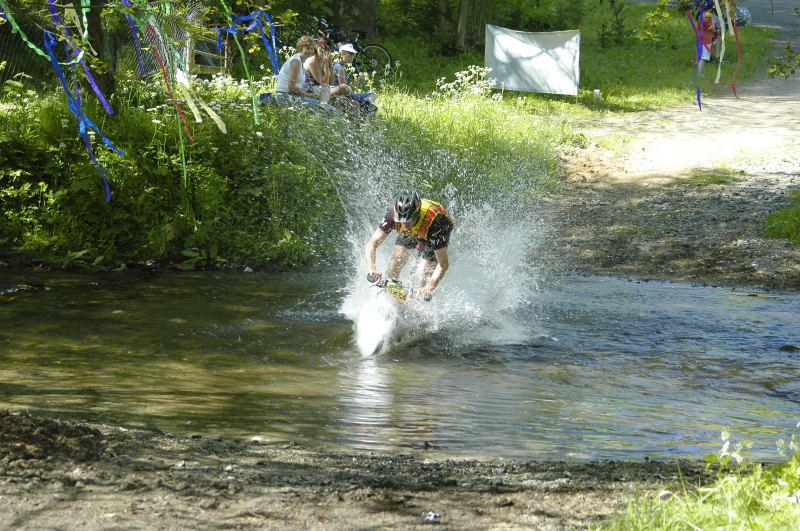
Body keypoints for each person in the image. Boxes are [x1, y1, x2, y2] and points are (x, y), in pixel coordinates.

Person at [365, 189, 454, 300]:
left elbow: (443, 264)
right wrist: (372, 268)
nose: (404, 224)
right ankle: (396, 304)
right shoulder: (393, 215)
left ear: (416, 214)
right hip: (415, 230)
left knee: (421, 276)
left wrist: (429, 288)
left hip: (436, 229)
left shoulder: (435, 222)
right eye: (400, 219)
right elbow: (372, 244)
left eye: (408, 220)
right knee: (394, 266)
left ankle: (415, 309)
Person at [271, 36, 319, 105]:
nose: (310, 51)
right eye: (307, 48)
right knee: (316, 106)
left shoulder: (301, 61)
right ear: (300, 48)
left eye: (312, 49)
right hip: (285, 95)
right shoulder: (296, 62)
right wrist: (309, 95)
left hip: (293, 95)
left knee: (318, 104)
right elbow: (291, 87)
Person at [331, 43, 378, 114]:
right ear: (341, 54)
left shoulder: (339, 66)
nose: (352, 57)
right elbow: (344, 89)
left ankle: (365, 105)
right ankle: (365, 106)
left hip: (341, 93)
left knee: (373, 94)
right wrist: (357, 82)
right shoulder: (340, 68)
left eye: (353, 55)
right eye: (350, 54)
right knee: (372, 94)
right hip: (340, 94)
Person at [303, 36, 334, 104]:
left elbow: (331, 82)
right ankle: (323, 107)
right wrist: (326, 65)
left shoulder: (323, 61)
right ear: (316, 47)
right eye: (322, 49)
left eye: (326, 49)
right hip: (309, 90)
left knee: (340, 99)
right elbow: (324, 84)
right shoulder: (311, 61)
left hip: (319, 90)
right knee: (337, 90)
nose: (324, 51)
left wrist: (330, 65)